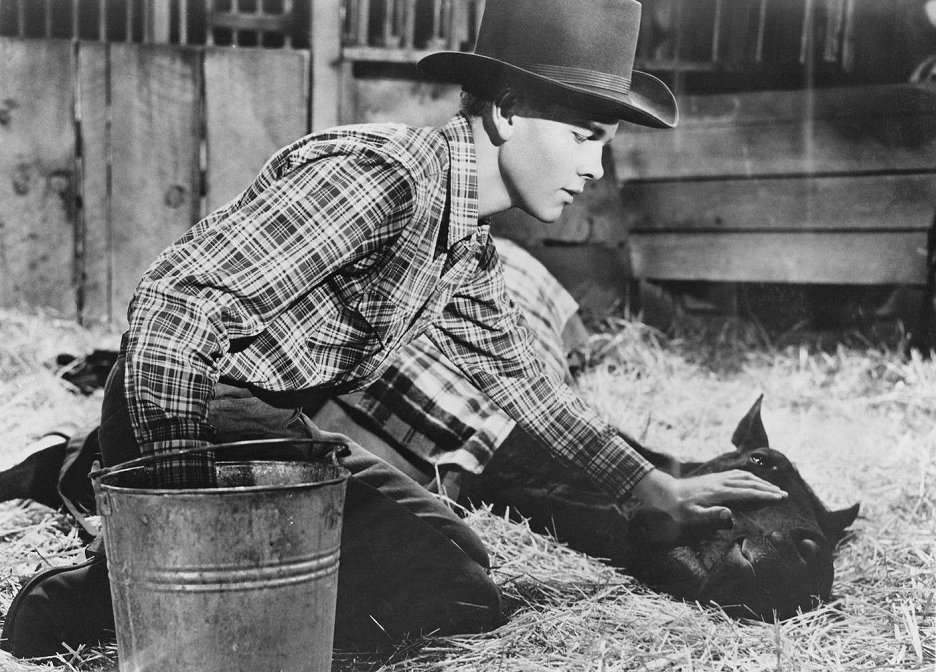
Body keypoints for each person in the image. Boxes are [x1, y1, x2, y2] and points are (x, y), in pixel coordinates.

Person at [1, 0, 788, 659]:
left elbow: (526, 386)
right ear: (509, 112)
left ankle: (220, 576)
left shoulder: (465, 242)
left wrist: (654, 486)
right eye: (585, 136)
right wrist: (171, 529)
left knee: (460, 572)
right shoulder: (389, 178)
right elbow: (176, 307)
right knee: (430, 585)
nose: (596, 171)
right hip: (185, 408)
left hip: (269, 426)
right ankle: (99, 599)